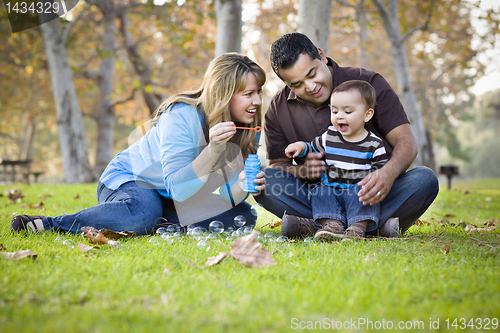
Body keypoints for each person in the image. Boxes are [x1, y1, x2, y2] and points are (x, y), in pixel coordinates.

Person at [11, 53, 266, 235]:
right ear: (222, 93)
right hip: (130, 180)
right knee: (144, 212)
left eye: (259, 92)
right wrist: (213, 151)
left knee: (242, 214)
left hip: (171, 198)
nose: (256, 101)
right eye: (248, 94)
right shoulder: (181, 116)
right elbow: (177, 187)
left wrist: (242, 185)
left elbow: (224, 195)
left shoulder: (246, 128)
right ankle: (50, 224)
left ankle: (162, 223)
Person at [254, 32, 439, 238]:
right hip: (322, 196)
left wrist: (387, 174)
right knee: (266, 182)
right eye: (296, 85)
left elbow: (406, 141)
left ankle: (317, 228)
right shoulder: (278, 109)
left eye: (312, 74)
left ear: (322, 56)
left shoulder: (369, 83)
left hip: (371, 194)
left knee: (424, 180)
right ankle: (367, 229)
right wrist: (303, 171)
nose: (310, 87)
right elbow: (278, 165)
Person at [285, 80, 388, 240]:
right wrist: (300, 147)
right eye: (334, 111)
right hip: (331, 188)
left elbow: (382, 172)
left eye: (347, 112)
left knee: (363, 194)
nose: (339, 116)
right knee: (319, 191)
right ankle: (333, 225)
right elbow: (312, 147)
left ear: (367, 115)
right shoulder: (329, 136)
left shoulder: (374, 144)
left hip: (357, 190)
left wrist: (375, 184)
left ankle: (357, 228)